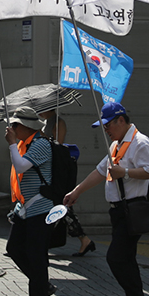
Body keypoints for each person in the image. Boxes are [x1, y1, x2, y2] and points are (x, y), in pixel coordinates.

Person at [63, 102, 149, 296]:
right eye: (103, 126)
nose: (106, 130)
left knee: (116, 258)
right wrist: (77, 191)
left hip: (132, 209)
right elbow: (100, 171)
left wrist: (124, 172)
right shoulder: (117, 145)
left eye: (108, 125)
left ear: (121, 120)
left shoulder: (140, 142)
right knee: (126, 259)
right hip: (118, 211)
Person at [5, 106, 56, 296]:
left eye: (15, 124)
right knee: (14, 249)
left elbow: (20, 167)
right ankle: (43, 287)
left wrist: (11, 145)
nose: (12, 128)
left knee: (35, 254)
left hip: (41, 208)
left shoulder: (40, 144)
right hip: (26, 208)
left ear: (26, 126)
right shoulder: (26, 144)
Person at [37, 109, 95, 257]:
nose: (39, 111)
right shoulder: (44, 123)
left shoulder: (58, 122)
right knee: (58, 205)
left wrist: (41, 135)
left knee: (61, 204)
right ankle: (84, 240)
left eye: (42, 109)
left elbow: (58, 147)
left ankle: (84, 239)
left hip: (58, 172)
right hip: (48, 170)